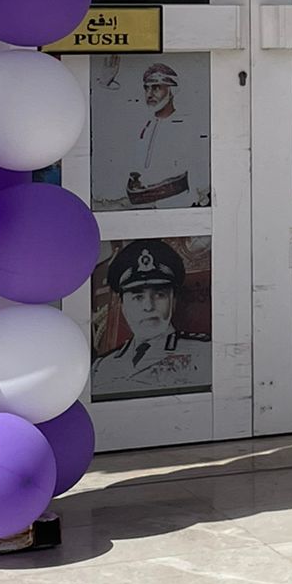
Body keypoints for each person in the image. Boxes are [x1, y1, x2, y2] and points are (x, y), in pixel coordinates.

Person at [91, 238, 211, 400]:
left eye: (159, 295)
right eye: (138, 297)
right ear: (122, 305)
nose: (148, 306)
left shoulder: (204, 353)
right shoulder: (101, 367)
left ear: (173, 301)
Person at [125, 62, 203, 208]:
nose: (149, 94)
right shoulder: (145, 127)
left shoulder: (186, 126)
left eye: (156, 88)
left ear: (172, 90)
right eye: (146, 88)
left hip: (179, 205)